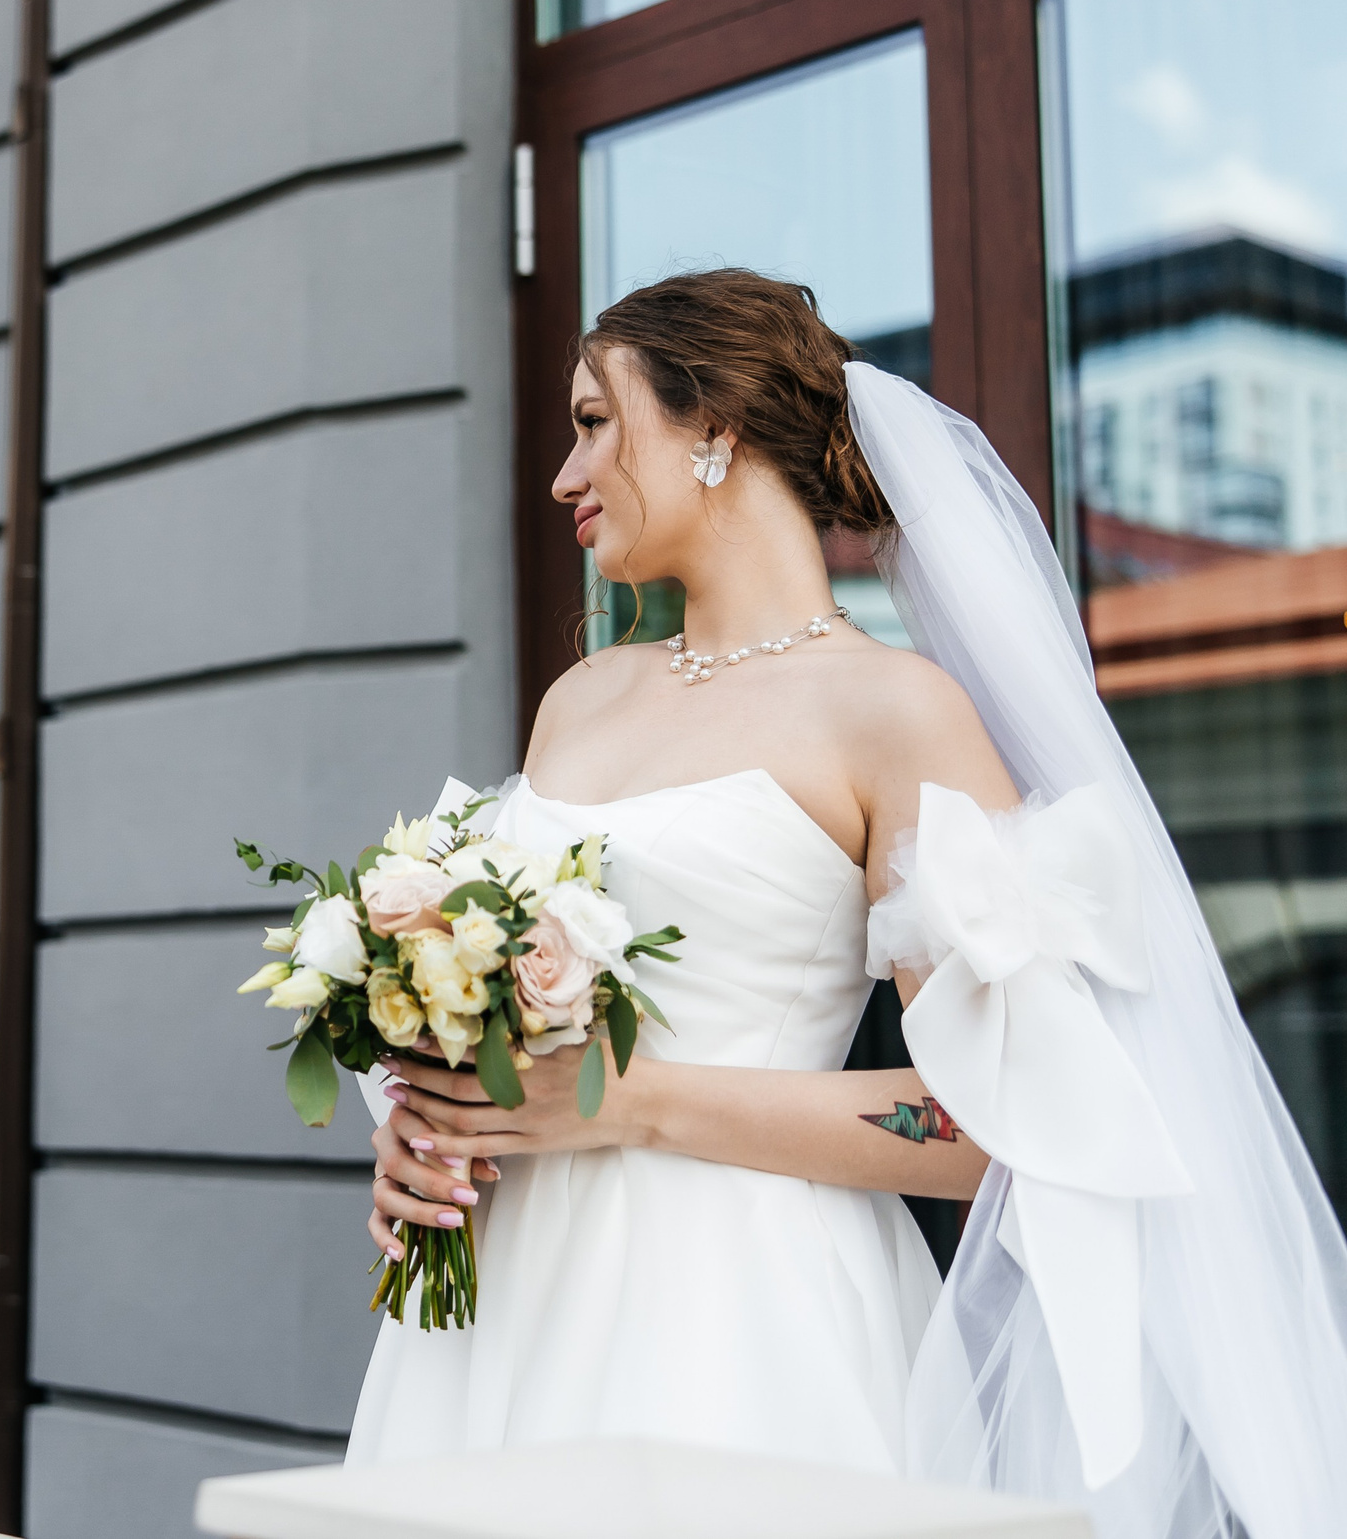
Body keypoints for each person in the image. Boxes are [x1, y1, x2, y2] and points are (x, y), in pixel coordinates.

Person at [350, 271, 1347, 1538]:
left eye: (594, 420)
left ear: (712, 428)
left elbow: (990, 1129)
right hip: (494, 1310)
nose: (564, 472)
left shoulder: (897, 713)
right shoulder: (580, 698)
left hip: (737, 1324)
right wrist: (432, 1123)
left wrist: (634, 1102)